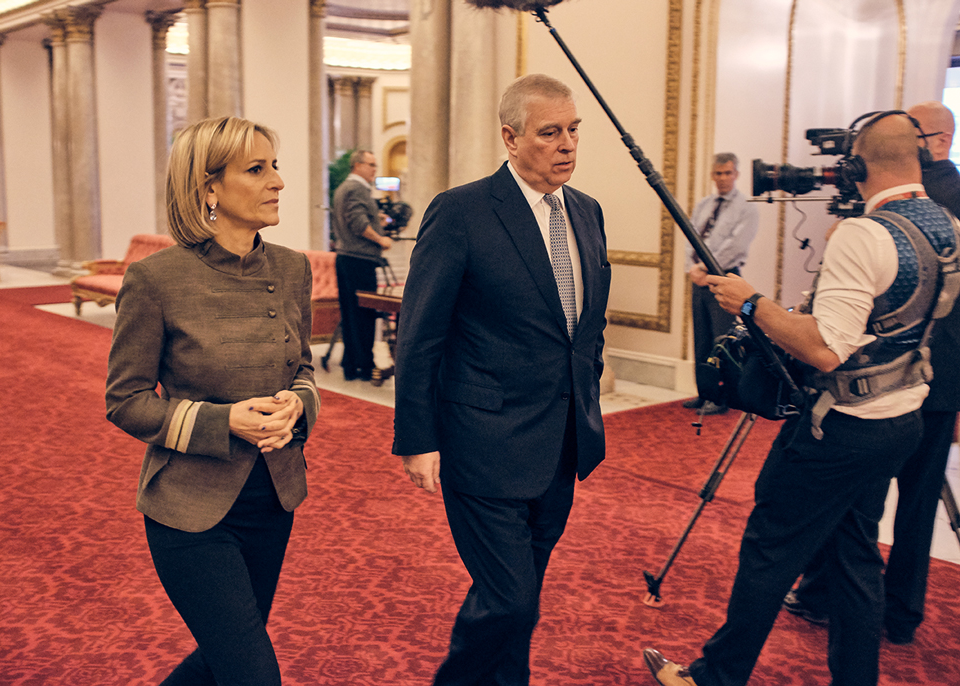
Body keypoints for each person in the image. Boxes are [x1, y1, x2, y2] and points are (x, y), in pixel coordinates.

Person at [642, 112, 956, 686]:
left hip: (841, 427)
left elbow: (825, 348)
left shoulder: (866, 234)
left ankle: (715, 677)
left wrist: (750, 301)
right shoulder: (945, 224)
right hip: (902, 417)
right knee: (855, 552)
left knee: (770, 547)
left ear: (856, 167)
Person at [393, 73, 611, 685]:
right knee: (510, 598)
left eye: (573, 130)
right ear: (511, 138)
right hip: (482, 440)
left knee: (520, 602)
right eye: (550, 133)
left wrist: (589, 391)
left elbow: (585, 326)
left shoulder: (588, 213)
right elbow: (422, 334)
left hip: (561, 442)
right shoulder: (462, 212)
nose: (567, 144)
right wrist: (416, 436)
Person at [105, 116, 320, 686]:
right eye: (256, 169)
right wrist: (226, 422)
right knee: (251, 672)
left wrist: (298, 408)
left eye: (275, 165)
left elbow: (303, 368)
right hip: (189, 510)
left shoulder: (292, 268)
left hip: (273, 498)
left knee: (222, 659)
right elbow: (125, 400)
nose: (277, 180)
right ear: (208, 189)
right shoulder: (156, 279)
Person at [783, 100, 960, 645]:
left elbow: (843, 331)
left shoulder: (912, 207)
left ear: (937, 138)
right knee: (912, 502)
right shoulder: (939, 206)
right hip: (937, 375)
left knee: (865, 500)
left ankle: (829, 594)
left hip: (894, 378)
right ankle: (899, 613)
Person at [683, 152, 759, 415]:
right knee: (702, 338)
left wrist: (706, 267)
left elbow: (736, 245)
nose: (723, 178)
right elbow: (690, 236)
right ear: (712, 175)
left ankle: (728, 396)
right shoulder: (704, 204)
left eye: (728, 173)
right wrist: (692, 268)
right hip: (698, 278)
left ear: (736, 174)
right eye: (718, 173)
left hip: (725, 276)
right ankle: (706, 393)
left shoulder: (746, 207)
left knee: (722, 339)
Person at [333, 149, 393, 381]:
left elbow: (353, 218)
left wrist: (377, 221)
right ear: (357, 165)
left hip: (346, 258)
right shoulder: (357, 188)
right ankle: (365, 367)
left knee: (351, 315)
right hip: (360, 260)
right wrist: (381, 239)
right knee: (365, 314)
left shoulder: (343, 188)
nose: (375, 170)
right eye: (371, 165)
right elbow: (358, 223)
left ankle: (351, 365)